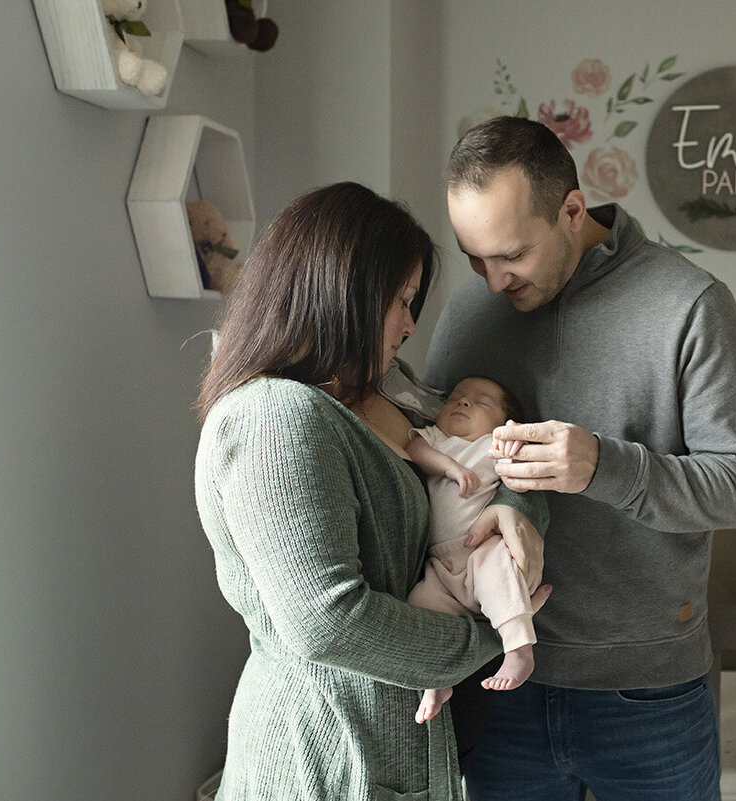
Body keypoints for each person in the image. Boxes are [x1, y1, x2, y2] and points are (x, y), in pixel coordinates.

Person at [426, 116, 736, 801]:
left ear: (573, 211)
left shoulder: (690, 305)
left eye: (512, 256)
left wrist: (603, 467)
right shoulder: (471, 312)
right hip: (495, 685)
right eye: (474, 259)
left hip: (646, 692)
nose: (492, 283)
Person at [194, 181, 550, 801]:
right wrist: (493, 635)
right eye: (402, 301)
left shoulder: (380, 393)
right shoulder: (276, 418)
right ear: (344, 292)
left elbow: (487, 451)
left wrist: (512, 512)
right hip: (328, 753)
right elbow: (327, 622)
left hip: (394, 742)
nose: (412, 325)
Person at [407, 375, 536, 725]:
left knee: (498, 569)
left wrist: (514, 451)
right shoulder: (434, 440)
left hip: (479, 548)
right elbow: (413, 449)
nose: (463, 402)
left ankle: (519, 648)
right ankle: (438, 681)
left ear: (504, 424)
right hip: (440, 564)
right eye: (456, 397)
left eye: (481, 402)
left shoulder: (491, 446)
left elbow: (525, 475)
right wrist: (450, 466)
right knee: (419, 608)